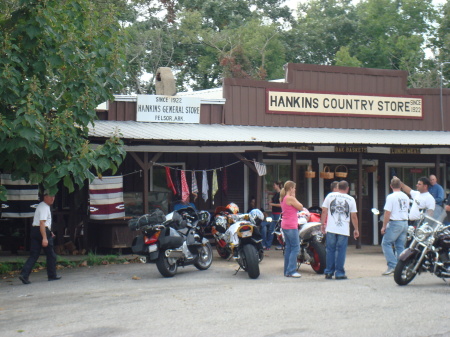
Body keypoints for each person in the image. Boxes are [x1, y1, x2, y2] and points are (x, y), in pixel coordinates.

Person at [18, 190, 61, 284]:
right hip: (41, 231)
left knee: (34, 255)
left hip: (35, 230)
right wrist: (45, 237)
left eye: (53, 196)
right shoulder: (45, 207)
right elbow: (42, 223)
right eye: (50, 196)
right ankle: (52, 275)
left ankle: (24, 274)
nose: (52, 198)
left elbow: (42, 223)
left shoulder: (41, 206)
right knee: (51, 255)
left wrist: (49, 231)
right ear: (45, 197)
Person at [321, 180, 359, 280]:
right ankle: (339, 273)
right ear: (347, 188)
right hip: (343, 229)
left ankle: (329, 272)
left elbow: (324, 210)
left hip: (331, 228)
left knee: (330, 250)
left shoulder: (330, 196)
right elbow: (354, 216)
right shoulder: (351, 199)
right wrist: (356, 229)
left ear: (338, 187)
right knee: (341, 250)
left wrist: (322, 224)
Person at [380, 177, 410, 275]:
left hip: (395, 222)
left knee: (386, 243)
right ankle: (401, 268)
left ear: (391, 186)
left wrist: (384, 226)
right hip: (405, 222)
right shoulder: (406, 196)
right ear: (401, 186)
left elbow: (387, 212)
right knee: (400, 246)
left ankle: (392, 265)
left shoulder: (391, 197)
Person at [280, 180, 303, 278]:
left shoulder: (283, 198)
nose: (295, 189)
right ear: (290, 188)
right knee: (295, 248)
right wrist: (294, 196)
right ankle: (291, 270)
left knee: (289, 248)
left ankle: (287, 270)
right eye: (294, 188)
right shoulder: (290, 198)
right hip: (291, 225)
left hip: (285, 224)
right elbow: (301, 207)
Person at [269, 181, 282, 250]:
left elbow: (281, 204)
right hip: (273, 213)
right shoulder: (275, 194)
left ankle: (280, 244)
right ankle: (268, 245)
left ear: (278, 185)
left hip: (278, 213)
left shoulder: (281, 194)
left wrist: (272, 204)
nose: (273, 186)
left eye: (274, 185)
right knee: (271, 229)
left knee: (278, 229)